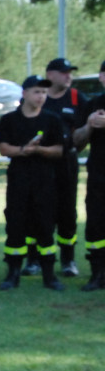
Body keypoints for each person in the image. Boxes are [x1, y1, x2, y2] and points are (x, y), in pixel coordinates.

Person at [0, 76, 67, 291]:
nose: (41, 97)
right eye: (37, 92)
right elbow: (3, 148)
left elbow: (60, 150)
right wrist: (22, 151)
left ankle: (49, 275)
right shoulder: (9, 119)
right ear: (24, 94)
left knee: (45, 226)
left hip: (44, 181)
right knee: (15, 226)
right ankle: (13, 274)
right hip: (18, 181)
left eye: (44, 93)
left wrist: (39, 150)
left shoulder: (52, 119)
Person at [38, 57, 90, 277]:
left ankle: (68, 260)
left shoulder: (78, 98)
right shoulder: (40, 97)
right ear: (50, 75)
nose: (69, 76)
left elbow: (88, 129)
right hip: (40, 163)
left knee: (67, 211)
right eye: (64, 72)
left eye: (70, 72)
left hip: (66, 162)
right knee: (38, 210)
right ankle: (36, 259)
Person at [73, 60, 105, 290]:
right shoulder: (93, 105)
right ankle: (97, 274)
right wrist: (89, 127)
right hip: (99, 175)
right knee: (96, 225)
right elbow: (77, 142)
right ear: (102, 78)